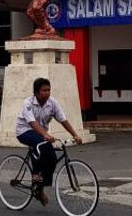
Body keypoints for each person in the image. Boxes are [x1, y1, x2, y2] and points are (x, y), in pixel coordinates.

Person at [15, 77, 82, 205]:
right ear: (36, 92)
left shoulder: (52, 103)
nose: (47, 93)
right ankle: (35, 175)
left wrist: (75, 135)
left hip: (41, 133)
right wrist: (45, 134)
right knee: (39, 143)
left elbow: (63, 120)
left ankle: (40, 188)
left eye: (49, 90)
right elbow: (32, 123)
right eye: (44, 90)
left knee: (51, 157)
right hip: (24, 131)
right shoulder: (28, 103)